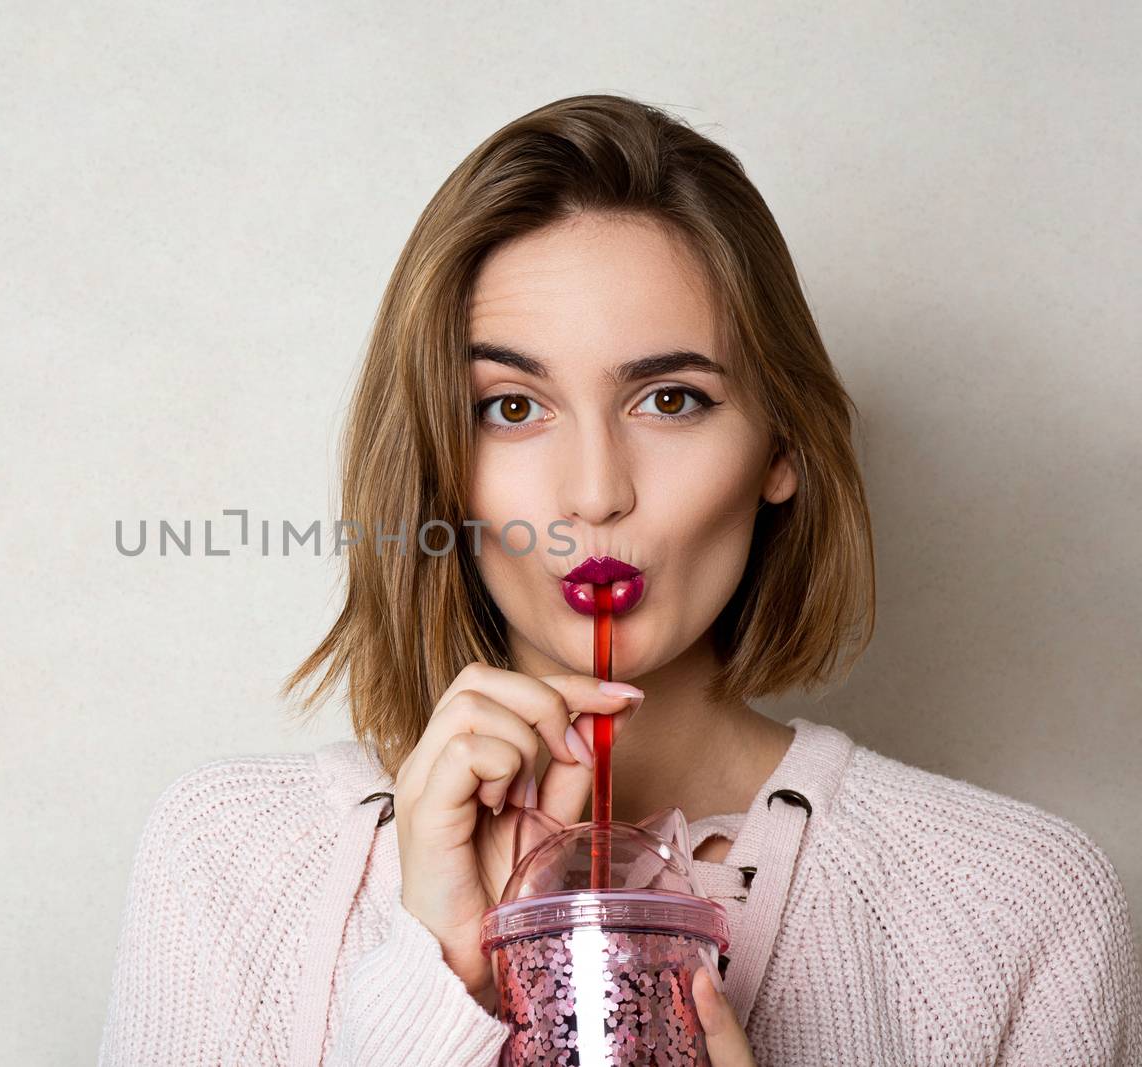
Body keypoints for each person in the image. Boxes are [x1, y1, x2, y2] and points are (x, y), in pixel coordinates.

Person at [96, 94, 1142, 1065]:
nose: (593, 493)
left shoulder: (1019, 904)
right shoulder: (230, 859)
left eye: (671, 400)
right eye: (510, 406)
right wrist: (442, 969)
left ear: (781, 447)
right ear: (434, 462)